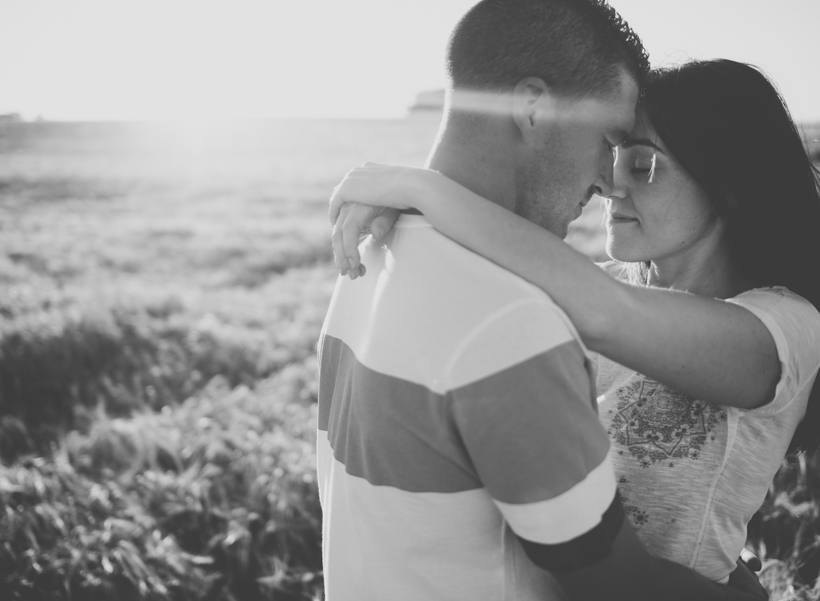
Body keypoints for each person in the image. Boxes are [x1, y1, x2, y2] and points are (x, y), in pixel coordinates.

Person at [318, 0, 768, 599]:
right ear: (533, 106)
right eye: (607, 139)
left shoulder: (374, 248)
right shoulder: (511, 323)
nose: (609, 182)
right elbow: (615, 586)